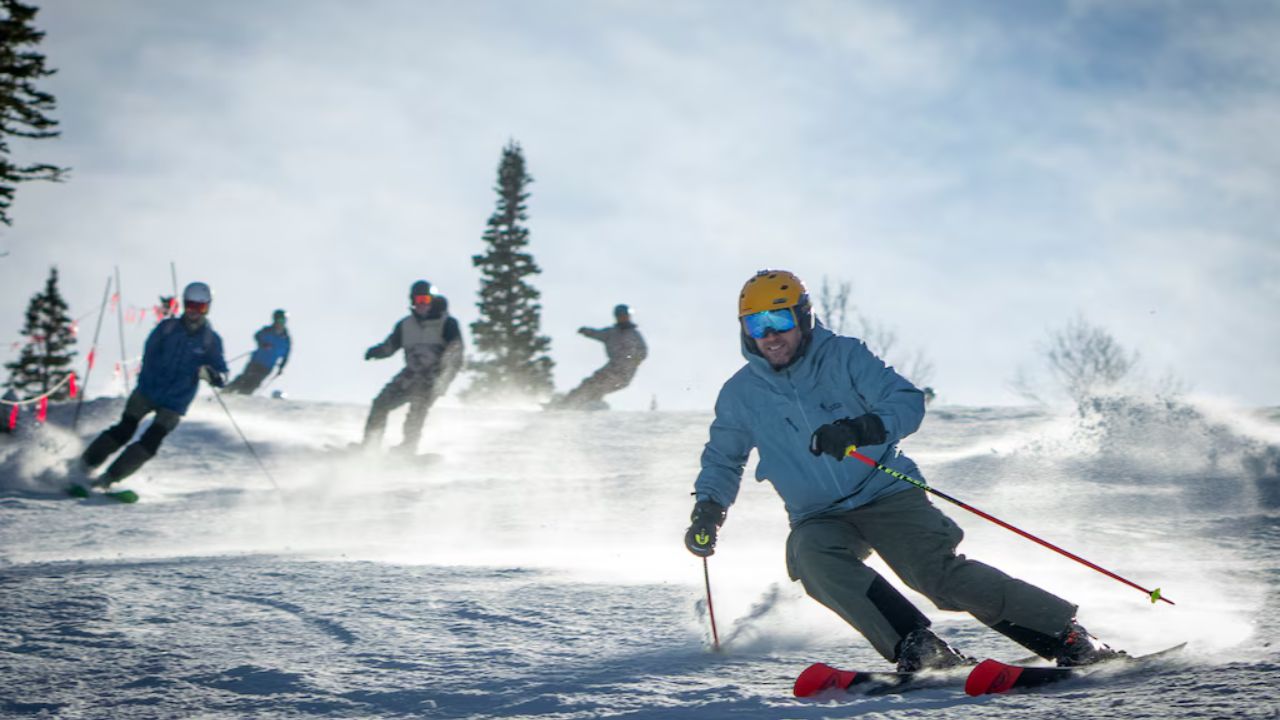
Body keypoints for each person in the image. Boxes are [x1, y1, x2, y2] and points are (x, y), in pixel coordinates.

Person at [683, 269, 1123, 672]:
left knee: (935, 575)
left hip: (885, 492)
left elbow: (905, 401)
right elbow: (724, 458)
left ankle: (1065, 636)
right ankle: (918, 645)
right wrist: (708, 510)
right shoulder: (741, 394)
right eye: (756, 325)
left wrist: (862, 427)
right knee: (811, 556)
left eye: (779, 321)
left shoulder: (844, 357)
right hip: (818, 515)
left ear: (802, 318)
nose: (770, 336)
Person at [80, 281, 228, 485]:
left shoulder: (211, 341)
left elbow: (222, 373)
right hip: (148, 391)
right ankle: (84, 466)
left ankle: (110, 478)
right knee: (124, 429)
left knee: (152, 441)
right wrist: (153, 377)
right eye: (191, 305)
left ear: (207, 308)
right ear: (185, 305)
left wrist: (213, 375)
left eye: (200, 307)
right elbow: (149, 354)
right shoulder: (167, 328)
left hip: (176, 402)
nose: (194, 311)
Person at [362, 280, 463, 453]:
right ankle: (370, 446)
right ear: (412, 302)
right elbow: (390, 346)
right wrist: (375, 352)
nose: (422, 305)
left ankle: (408, 448)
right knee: (380, 404)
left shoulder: (447, 323)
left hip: (433, 375)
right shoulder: (406, 325)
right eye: (418, 300)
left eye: (425, 300)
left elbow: (456, 352)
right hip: (410, 375)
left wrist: (444, 378)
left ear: (432, 301)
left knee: (417, 408)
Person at [555, 304, 647, 409]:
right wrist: (586, 331)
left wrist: (633, 360)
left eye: (625, 315)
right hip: (612, 367)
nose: (623, 318)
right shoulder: (612, 332)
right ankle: (568, 403)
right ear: (616, 317)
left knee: (601, 386)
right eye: (620, 316)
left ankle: (586, 404)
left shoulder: (634, 334)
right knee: (589, 383)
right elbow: (597, 333)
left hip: (625, 372)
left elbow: (642, 351)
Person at [225, 309, 291, 395]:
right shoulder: (267, 330)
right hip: (256, 361)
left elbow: (286, 356)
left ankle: (242, 397)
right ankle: (226, 392)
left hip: (268, 366)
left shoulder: (286, 339)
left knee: (255, 382)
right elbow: (257, 336)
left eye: (282, 320)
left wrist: (281, 367)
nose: (280, 323)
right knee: (244, 378)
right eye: (278, 320)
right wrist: (262, 344)